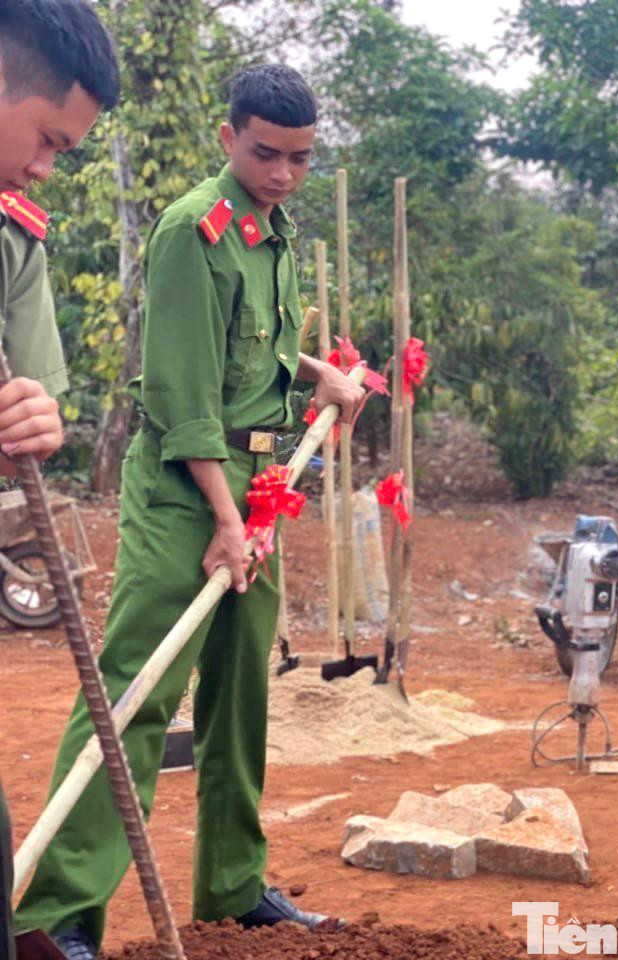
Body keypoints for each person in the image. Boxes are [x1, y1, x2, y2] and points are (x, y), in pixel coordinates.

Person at [15, 65, 365, 960]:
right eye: (264, 154)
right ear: (226, 137)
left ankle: (234, 888)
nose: (284, 173)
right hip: (186, 493)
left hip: (260, 490)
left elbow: (257, 356)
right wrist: (221, 521)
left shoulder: (272, 232)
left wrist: (312, 373)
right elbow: (185, 395)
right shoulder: (190, 232)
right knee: (136, 691)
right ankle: (56, 916)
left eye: (299, 159)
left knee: (241, 690)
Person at [0, 3, 119, 958]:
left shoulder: (13, 236)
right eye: (47, 138)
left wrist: (33, 422)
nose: (47, 166)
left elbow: (39, 409)